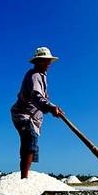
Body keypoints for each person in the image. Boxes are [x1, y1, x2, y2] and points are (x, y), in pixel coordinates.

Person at [11, 47, 64, 179]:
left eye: (49, 61)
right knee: (29, 143)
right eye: (45, 61)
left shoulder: (41, 76)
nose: (48, 64)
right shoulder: (35, 75)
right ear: (38, 61)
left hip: (31, 117)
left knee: (30, 144)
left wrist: (52, 108)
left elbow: (43, 100)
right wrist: (51, 108)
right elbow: (36, 96)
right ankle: (24, 179)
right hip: (24, 115)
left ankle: (25, 177)